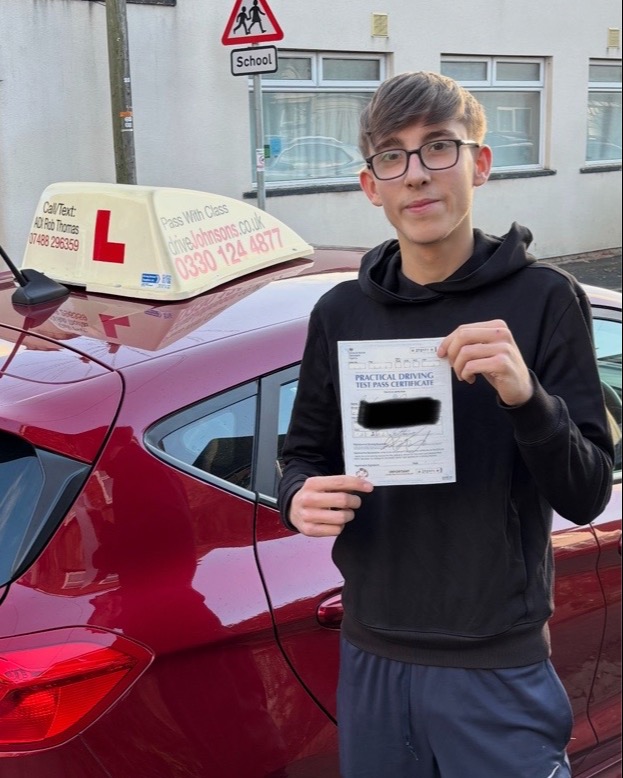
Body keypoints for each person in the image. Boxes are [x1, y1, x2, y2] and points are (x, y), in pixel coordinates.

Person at [277, 71, 614, 778]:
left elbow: (585, 493)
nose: (415, 176)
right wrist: (296, 495)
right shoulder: (340, 314)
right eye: (392, 157)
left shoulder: (545, 299)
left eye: (438, 148)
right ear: (371, 185)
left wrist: (527, 397)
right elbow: (301, 452)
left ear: (478, 164)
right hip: (372, 651)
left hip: (494, 659)